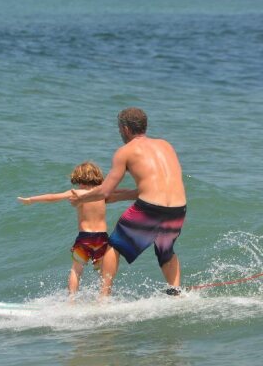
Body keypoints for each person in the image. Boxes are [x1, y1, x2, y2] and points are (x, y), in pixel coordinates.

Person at [70, 108, 187, 297]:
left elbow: (105, 190)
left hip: (150, 208)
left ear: (125, 129)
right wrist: (118, 197)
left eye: (119, 129)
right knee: (165, 250)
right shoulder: (166, 145)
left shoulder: (125, 151)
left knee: (114, 245)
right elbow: (154, 189)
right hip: (178, 208)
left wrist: (81, 197)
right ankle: (176, 293)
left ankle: (103, 299)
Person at [17, 161, 135, 300]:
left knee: (76, 270)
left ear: (80, 178)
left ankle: (71, 300)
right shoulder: (102, 193)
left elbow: (53, 197)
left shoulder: (78, 193)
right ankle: (104, 299)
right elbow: (125, 191)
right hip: (102, 238)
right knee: (104, 272)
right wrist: (144, 192)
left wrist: (31, 199)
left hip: (85, 238)